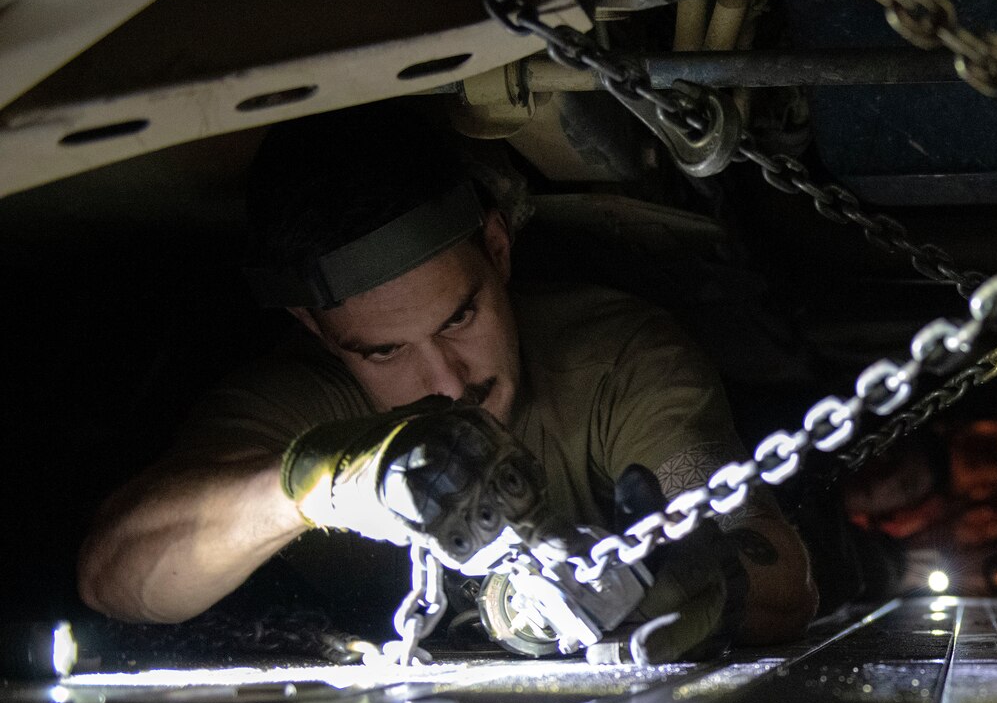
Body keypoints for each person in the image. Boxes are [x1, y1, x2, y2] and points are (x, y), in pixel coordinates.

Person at [76, 103, 817, 656]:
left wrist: (700, 581)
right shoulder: (301, 406)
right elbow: (117, 575)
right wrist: (323, 482)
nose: (446, 379)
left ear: (497, 248)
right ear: (315, 329)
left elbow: (765, 554)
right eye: (383, 352)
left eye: (459, 319)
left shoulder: (624, 364)